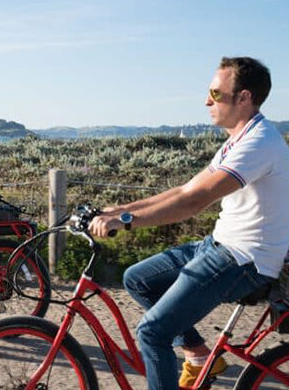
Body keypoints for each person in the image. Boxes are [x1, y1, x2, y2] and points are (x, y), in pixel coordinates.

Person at [89, 57, 289, 390]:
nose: (207, 101)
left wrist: (125, 221)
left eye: (216, 92)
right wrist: (121, 207)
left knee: (152, 333)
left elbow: (194, 203)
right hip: (220, 245)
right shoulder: (238, 139)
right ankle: (198, 356)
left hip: (245, 259)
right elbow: (185, 189)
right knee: (137, 279)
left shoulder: (259, 144)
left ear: (244, 97)